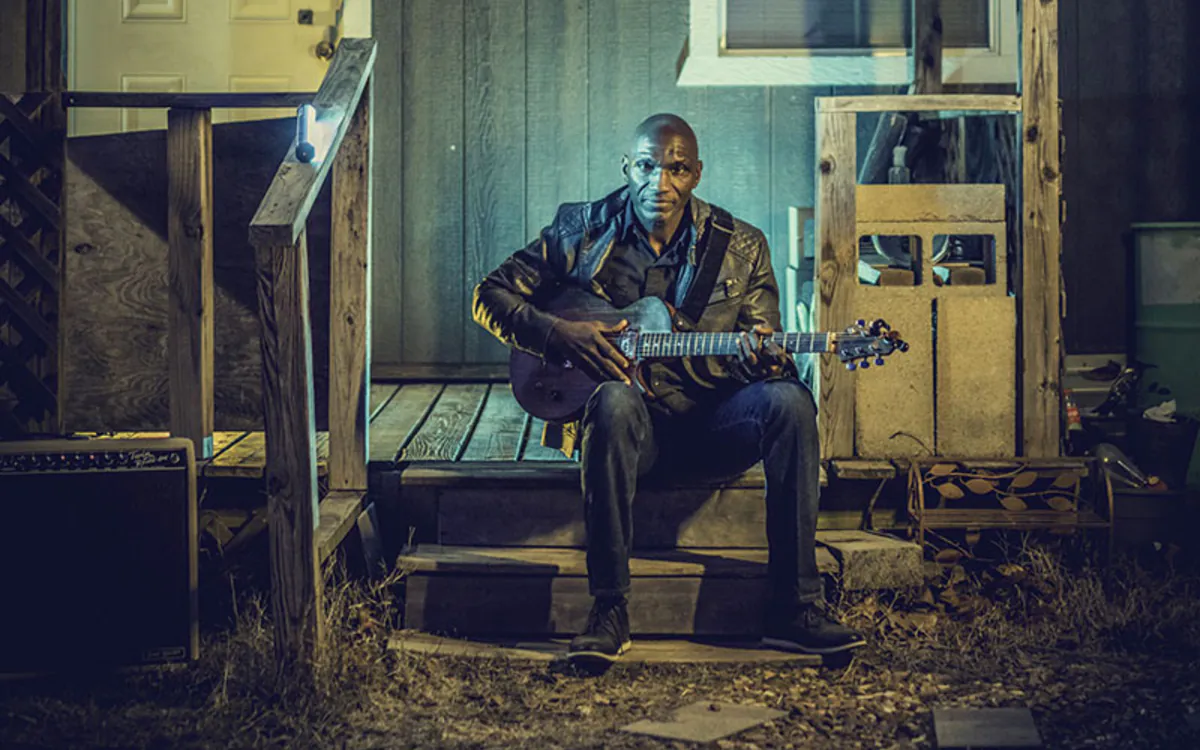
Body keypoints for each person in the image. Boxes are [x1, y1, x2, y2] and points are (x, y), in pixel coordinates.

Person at [472, 113, 865, 663]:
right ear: (627, 168)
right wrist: (559, 334)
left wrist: (764, 356)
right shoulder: (581, 230)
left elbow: (766, 355)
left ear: (696, 174)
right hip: (627, 434)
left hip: (711, 427)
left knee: (790, 402)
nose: (660, 183)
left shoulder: (742, 247)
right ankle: (609, 608)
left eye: (676, 169)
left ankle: (795, 607)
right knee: (611, 397)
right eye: (648, 166)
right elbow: (490, 294)